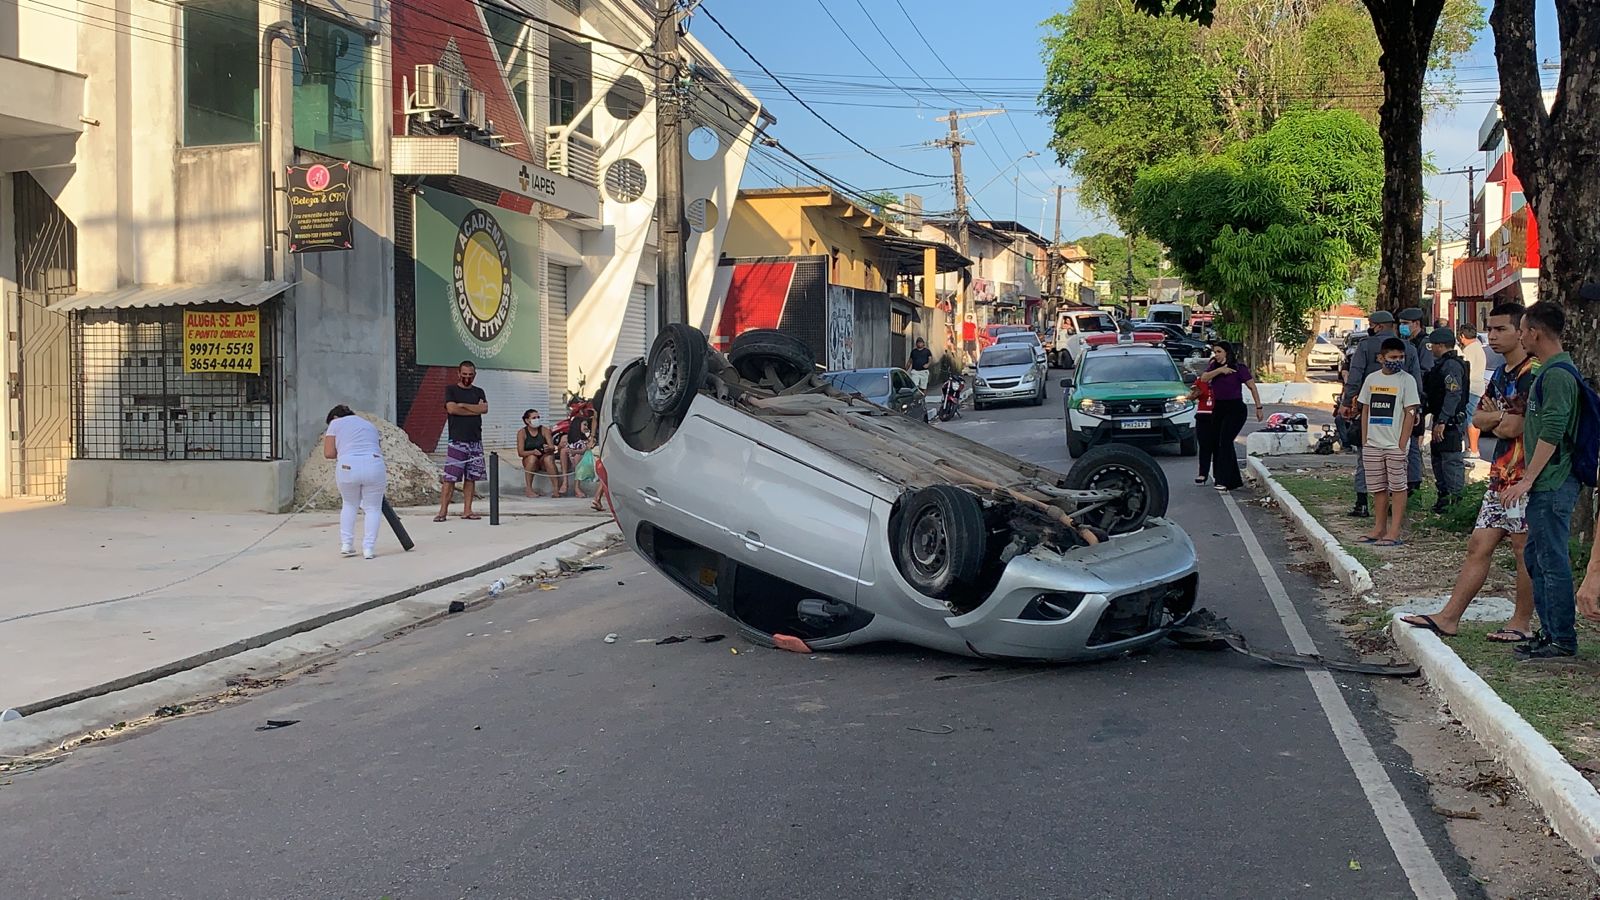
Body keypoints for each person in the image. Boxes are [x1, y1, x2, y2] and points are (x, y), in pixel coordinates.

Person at [1400, 302, 1536, 641]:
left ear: (1521, 331)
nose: (1492, 336)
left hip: (1526, 477)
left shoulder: (1533, 374)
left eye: (1501, 329)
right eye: (1490, 329)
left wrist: (1499, 421)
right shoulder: (1502, 373)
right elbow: (1479, 420)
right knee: (1478, 545)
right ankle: (1449, 617)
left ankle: (1521, 623)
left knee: (1523, 550)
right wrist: (1499, 422)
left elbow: (1516, 425)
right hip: (1500, 474)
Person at [1500, 303, 1583, 660]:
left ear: (1534, 332)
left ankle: (1561, 637)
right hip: (1544, 483)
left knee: (1551, 559)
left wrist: (1526, 480)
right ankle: (1549, 631)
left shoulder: (1560, 375)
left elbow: (1552, 431)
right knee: (1536, 556)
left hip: (1553, 481)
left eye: (1522, 329)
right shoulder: (1547, 371)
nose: (1520, 335)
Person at [1340, 310, 1422, 516]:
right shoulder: (1409, 348)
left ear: (1376, 326)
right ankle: (1399, 504)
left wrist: (1347, 403)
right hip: (1401, 410)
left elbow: (1355, 376)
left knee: (1366, 455)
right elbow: (1416, 381)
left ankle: (1362, 503)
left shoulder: (1366, 346)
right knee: (1400, 458)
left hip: (1374, 408)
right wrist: (1416, 408)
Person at [1355, 338, 1421, 546]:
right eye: (1393, 357)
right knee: (1378, 487)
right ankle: (1379, 528)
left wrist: (1402, 444)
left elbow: (1410, 412)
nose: (1398, 361)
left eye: (1401, 357)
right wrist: (1365, 440)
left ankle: (1394, 531)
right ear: (1381, 358)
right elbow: (1365, 409)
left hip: (1395, 445)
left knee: (1398, 487)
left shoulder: (1407, 380)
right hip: (1373, 444)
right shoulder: (1372, 379)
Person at [322, 405, 387, 560]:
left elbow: (329, 453)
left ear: (335, 417)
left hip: (347, 465)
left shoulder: (335, 424)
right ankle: (369, 549)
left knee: (349, 504)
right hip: (374, 464)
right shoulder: (369, 425)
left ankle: (347, 544)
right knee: (372, 508)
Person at [1197, 341, 1263, 492]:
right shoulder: (1214, 367)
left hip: (1235, 409)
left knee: (1225, 442)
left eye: (1219, 351)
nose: (1216, 354)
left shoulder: (1239, 368)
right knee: (1220, 442)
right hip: (1219, 408)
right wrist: (1220, 371)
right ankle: (1234, 480)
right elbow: (1204, 378)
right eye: (1215, 352)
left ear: (1227, 352)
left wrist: (1258, 407)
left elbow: (1252, 387)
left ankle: (1223, 480)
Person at [1423, 327, 1469, 511]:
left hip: (1449, 423)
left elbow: (1453, 393)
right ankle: (1443, 500)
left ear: (1440, 345)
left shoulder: (1451, 366)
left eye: (1432, 345)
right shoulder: (1442, 364)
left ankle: (1455, 503)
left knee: (1450, 462)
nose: (1431, 349)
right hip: (1441, 420)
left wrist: (1442, 421)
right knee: (1438, 461)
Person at [436, 361, 488, 522]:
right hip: (457, 440)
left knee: (471, 478)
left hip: (475, 440)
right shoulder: (451, 390)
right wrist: (474, 409)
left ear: (474, 375)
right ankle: (442, 512)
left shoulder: (479, 391)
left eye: (470, 375)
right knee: (450, 478)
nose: (467, 377)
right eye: (464, 374)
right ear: (459, 373)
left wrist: (464, 406)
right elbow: (451, 409)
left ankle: (467, 510)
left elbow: (484, 409)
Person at [1399, 307, 1432, 492]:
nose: (1402, 327)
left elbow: (1425, 372)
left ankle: (1414, 480)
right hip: (1407, 396)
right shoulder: (1407, 342)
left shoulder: (1423, 343)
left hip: (1418, 398)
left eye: (1405, 324)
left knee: (1413, 438)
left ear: (1416, 324)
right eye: (1401, 323)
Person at [1458, 327, 1489, 456]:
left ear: (1462, 336)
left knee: (1471, 419)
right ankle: (1472, 448)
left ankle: (1474, 449)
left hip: (1472, 388)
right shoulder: (1479, 348)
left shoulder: (1470, 350)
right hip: (1478, 387)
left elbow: (1465, 370)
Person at [516, 409, 559, 497]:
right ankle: (529, 489)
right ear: (527, 420)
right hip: (530, 460)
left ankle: (556, 489)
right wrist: (533, 452)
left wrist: (548, 448)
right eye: (534, 418)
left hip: (543, 458)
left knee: (549, 459)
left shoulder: (544, 430)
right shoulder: (522, 433)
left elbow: (552, 447)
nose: (537, 419)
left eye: (538, 417)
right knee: (532, 458)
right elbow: (520, 453)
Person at [559, 408, 595, 499]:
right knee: (563, 451)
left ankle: (577, 487)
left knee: (578, 456)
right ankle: (565, 482)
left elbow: (583, 450)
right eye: (584, 425)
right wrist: (561, 446)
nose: (586, 427)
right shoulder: (567, 437)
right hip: (570, 460)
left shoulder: (588, 440)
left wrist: (574, 451)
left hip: (582, 461)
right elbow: (558, 449)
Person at [1190, 368, 1216, 485]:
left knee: (1218, 447)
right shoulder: (1201, 381)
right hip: (1202, 416)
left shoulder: (1222, 381)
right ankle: (1202, 474)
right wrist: (1194, 394)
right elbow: (1193, 394)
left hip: (1217, 416)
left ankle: (1219, 475)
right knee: (1204, 446)